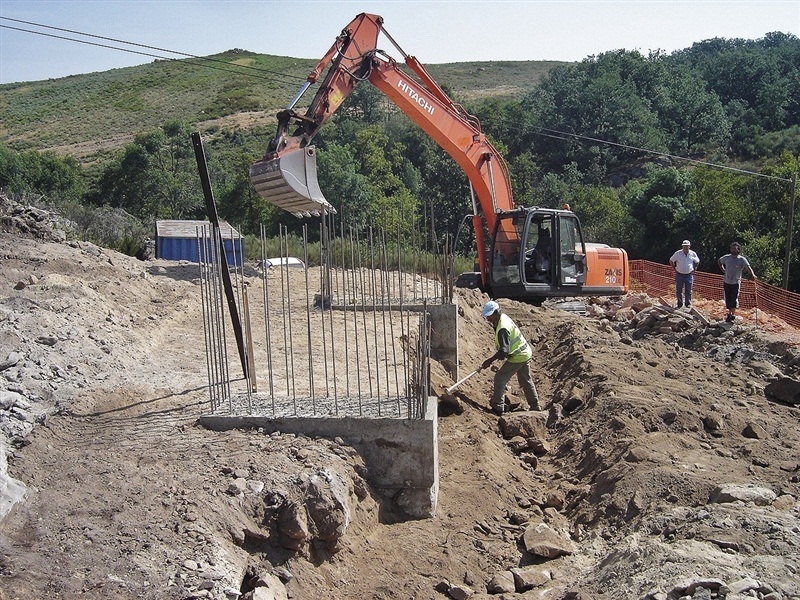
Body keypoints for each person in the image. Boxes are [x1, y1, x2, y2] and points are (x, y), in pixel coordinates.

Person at [480, 300, 541, 415]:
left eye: (490, 316)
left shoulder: (502, 328)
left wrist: (489, 361)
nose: (488, 319)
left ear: (497, 312)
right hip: (524, 352)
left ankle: (498, 407)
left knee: (500, 378)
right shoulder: (503, 318)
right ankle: (535, 406)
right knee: (525, 380)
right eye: (487, 316)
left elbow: (504, 351)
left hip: (519, 356)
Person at [718, 242, 756, 323]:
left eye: (735, 248)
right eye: (732, 248)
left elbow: (748, 267)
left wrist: (753, 275)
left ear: (738, 249)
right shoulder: (727, 257)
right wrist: (723, 270)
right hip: (727, 281)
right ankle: (729, 313)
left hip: (736, 282)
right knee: (727, 298)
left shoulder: (741, 259)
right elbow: (719, 261)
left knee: (734, 298)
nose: (733, 250)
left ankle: (731, 314)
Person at [669, 240, 700, 309]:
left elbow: (697, 261)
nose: (685, 247)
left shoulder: (693, 254)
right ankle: (679, 304)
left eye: (687, 246)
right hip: (679, 274)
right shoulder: (678, 253)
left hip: (689, 275)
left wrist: (695, 268)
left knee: (688, 290)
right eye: (684, 246)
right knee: (679, 290)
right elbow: (671, 260)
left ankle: (688, 304)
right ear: (682, 246)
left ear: (689, 246)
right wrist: (674, 269)